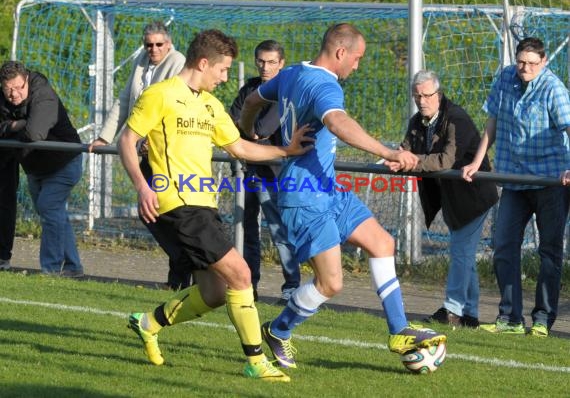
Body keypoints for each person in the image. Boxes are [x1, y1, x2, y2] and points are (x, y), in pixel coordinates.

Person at [239, 23, 446, 369]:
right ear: (340, 53)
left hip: (328, 188)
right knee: (331, 283)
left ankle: (399, 331)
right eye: (357, 58)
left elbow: (252, 100)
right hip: (304, 197)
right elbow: (337, 123)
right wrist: (390, 152)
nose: (358, 65)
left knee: (382, 243)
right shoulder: (324, 84)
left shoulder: (292, 73)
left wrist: (251, 131)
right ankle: (278, 330)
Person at [118, 29, 313, 381]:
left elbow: (239, 146)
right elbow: (127, 140)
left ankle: (148, 323)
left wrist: (286, 151)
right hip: (176, 203)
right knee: (241, 274)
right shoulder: (160, 95)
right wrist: (142, 187)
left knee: (214, 292)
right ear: (204, 63)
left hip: (202, 204)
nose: (225, 78)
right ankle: (255, 361)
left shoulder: (210, 105)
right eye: (222, 70)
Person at [463, 37, 570, 338]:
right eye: (522, 62)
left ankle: (542, 318)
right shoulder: (506, 77)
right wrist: (477, 161)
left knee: (549, 251)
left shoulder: (554, 89)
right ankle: (509, 317)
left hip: (550, 182)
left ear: (544, 62)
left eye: (532, 63)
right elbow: (492, 123)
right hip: (514, 180)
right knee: (503, 247)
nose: (525, 68)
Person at [88, 21, 191, 290]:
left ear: (169, 44)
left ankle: (183, 272)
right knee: (152, 212)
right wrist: (105, 136)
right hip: (145, 149)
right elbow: (125, 99)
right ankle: (182, 266)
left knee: (166, 212)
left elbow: (172, 105)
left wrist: (149, 138)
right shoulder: (142, 62)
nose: (153, 49)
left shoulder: (178, 62)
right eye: (149, 44)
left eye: (159, 44)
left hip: (168, 151)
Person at [398, 69, 498, 328]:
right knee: (465, 256)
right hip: (450, 199)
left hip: (474, 197)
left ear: (438, 95)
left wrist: (410, 162)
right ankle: (471, 315)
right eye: (417, 95)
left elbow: (445, 160)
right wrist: (392, 156)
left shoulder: (457, 118)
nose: (421, 101)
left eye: (427, 95)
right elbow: (404, 149)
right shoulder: (417, 122)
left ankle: (452, 310)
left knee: (461, 252)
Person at [228, 39, 300, 303]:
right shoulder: (249, 86)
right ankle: (250, 284)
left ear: (281, 63)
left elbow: (262, 129)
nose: (265, 67)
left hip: (273, 173)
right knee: (245, 230)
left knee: (280, 232)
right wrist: (243, 129)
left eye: (271, 62)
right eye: (261, 61)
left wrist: (243, 128)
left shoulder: (284, 91)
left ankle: (291, 286)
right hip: (245, 170)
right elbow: (229, 121)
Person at [0, 60, 83, 277]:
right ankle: (73, 267)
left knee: (49, 207)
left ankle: (51, 269)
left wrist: (10, 126)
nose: (14, 95)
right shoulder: (5, 97)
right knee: (53, 214)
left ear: (26, 79)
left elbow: (35, 133)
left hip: (64, 162)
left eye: (18, 88)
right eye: (8, 90)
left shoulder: (43, 94)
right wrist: (16, 124)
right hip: (36, 168)